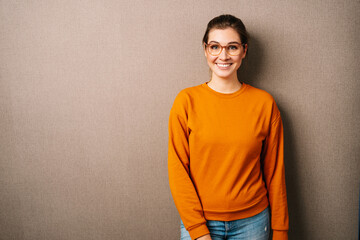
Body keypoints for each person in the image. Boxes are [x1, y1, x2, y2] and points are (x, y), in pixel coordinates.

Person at [168, 14, 289, 240]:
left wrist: (280, 231)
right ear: (205, 50)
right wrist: (197, 230)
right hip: (201, 221)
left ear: (244, 50)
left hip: (253, 223)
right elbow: (177, 171)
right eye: (215, 47)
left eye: (232, 47)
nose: (223, 55)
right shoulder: (186, 101)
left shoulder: (265, 103)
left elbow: (275, 172)